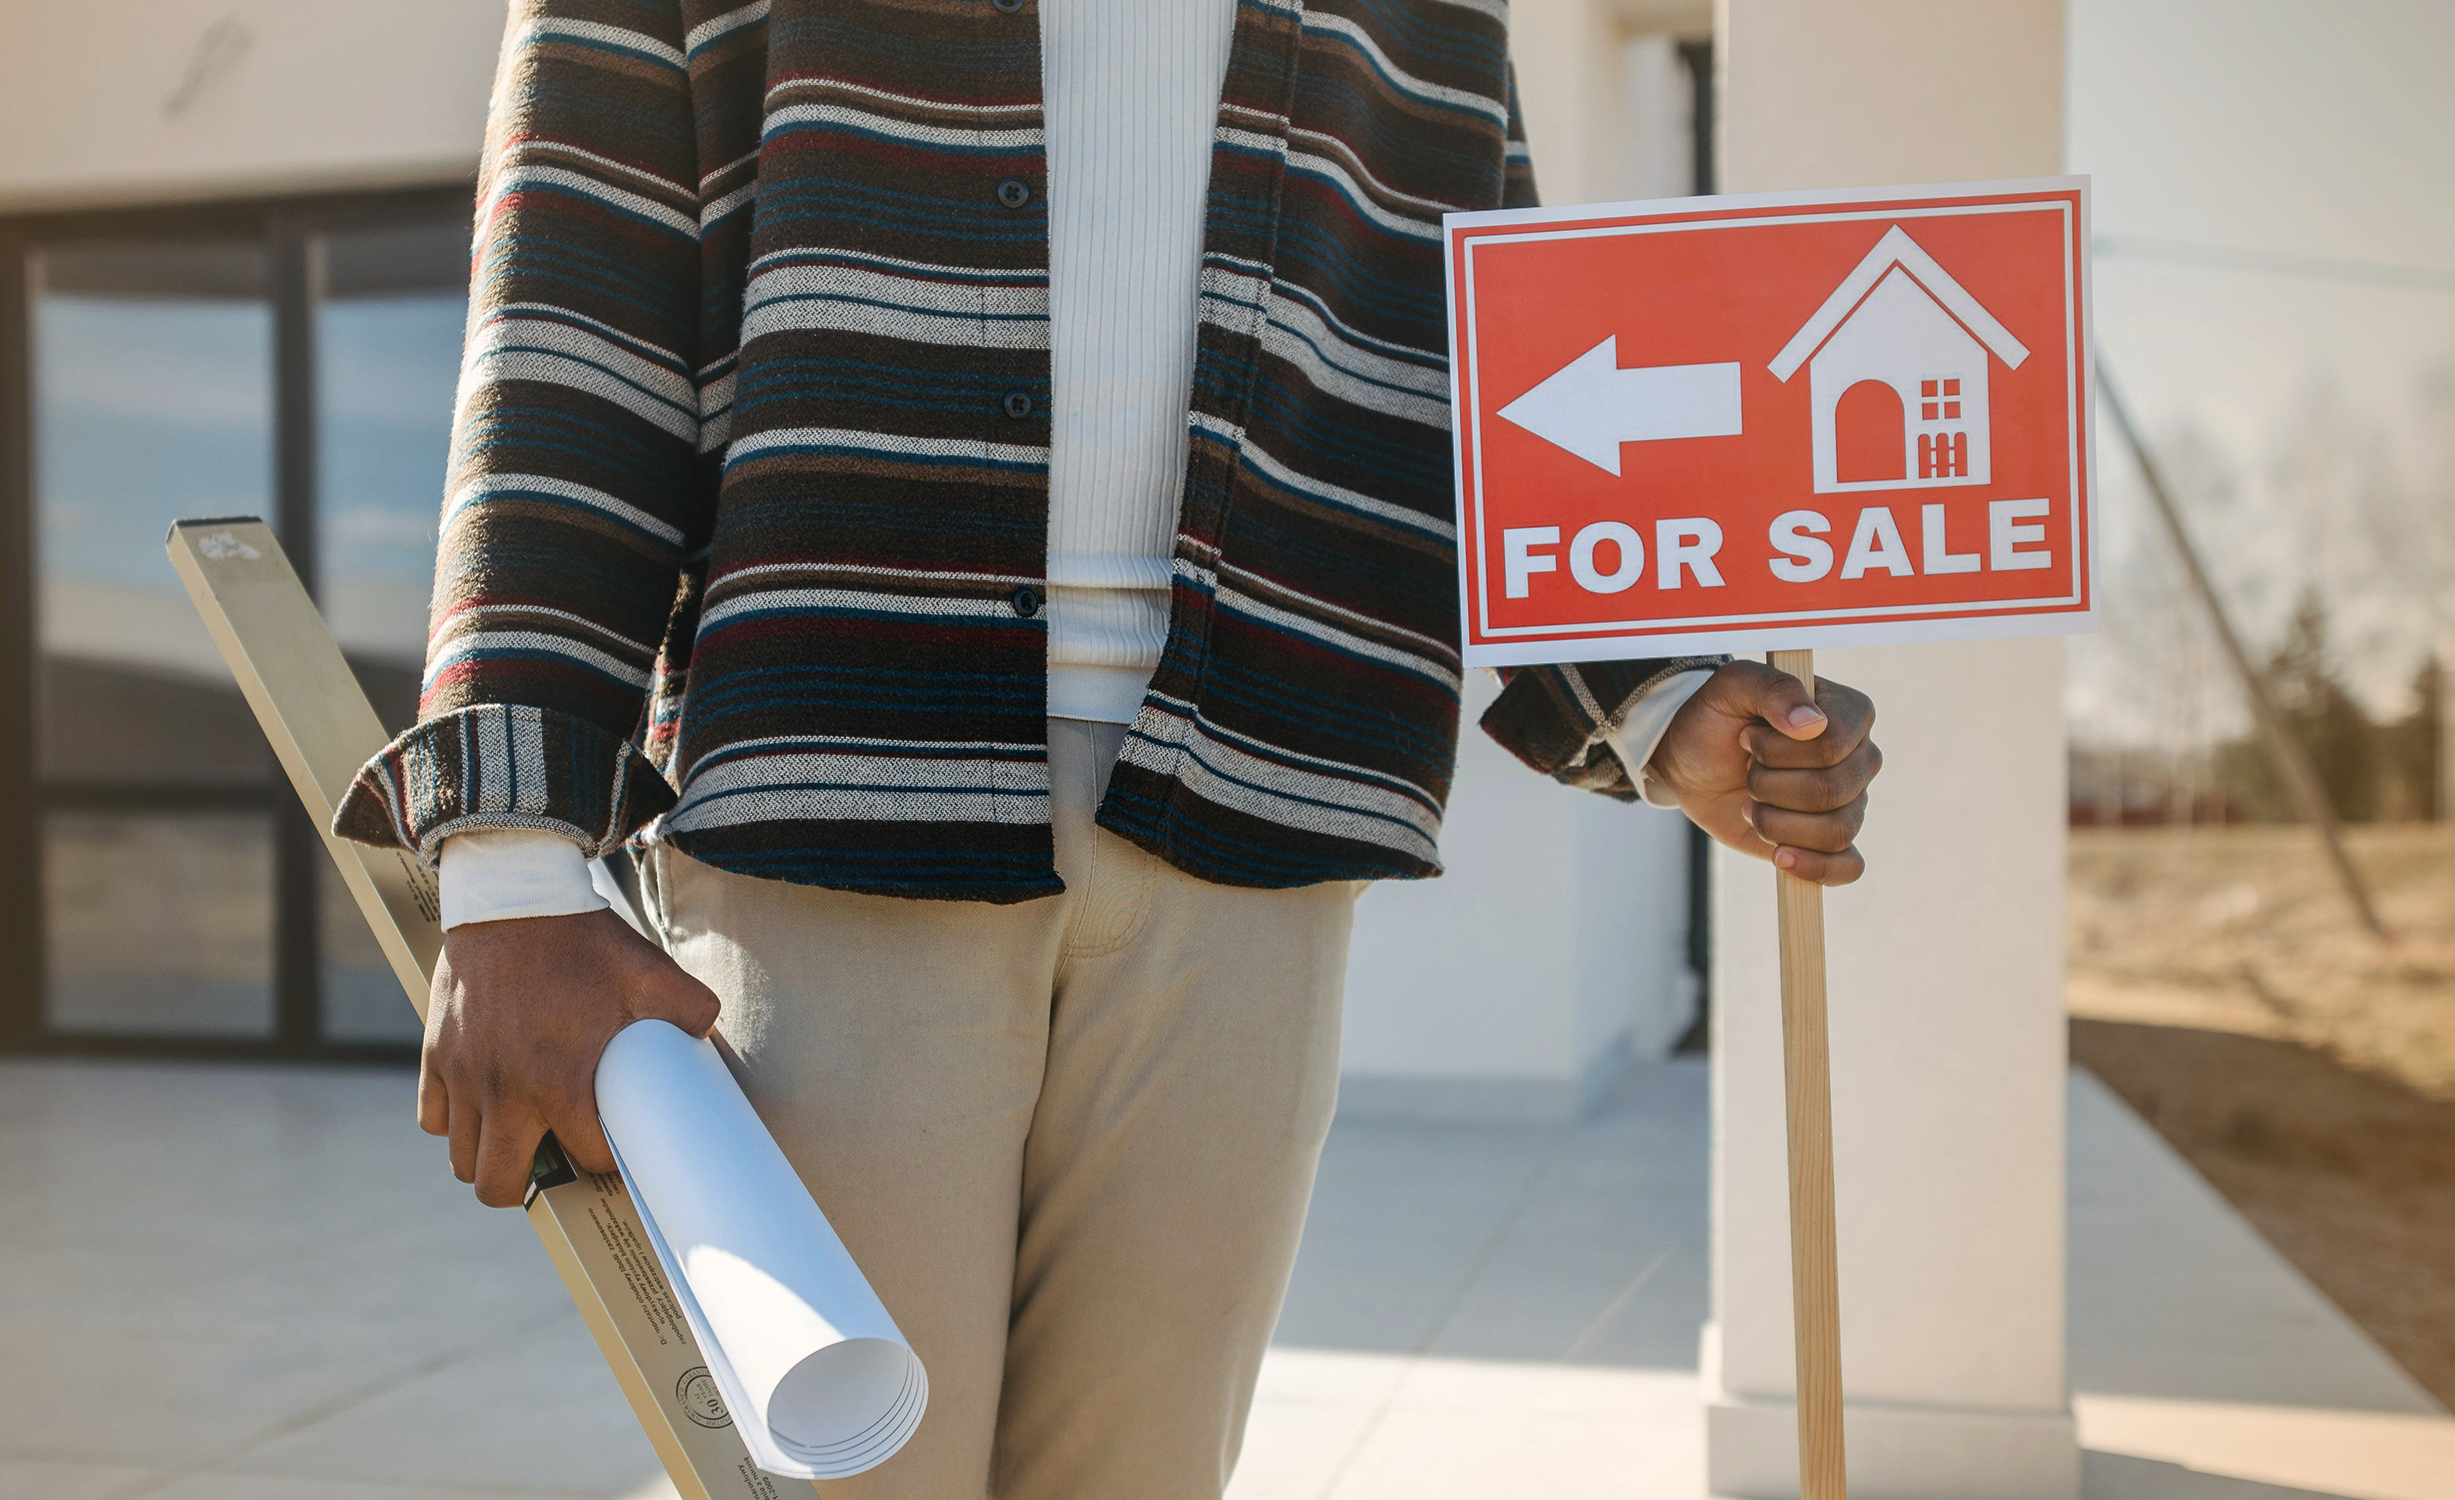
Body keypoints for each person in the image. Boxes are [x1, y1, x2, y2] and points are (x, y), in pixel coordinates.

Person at [335, 3, 1883, 1496]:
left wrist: (1651, 690)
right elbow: (577, 290)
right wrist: (511, 858)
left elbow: (1480, 328)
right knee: (838, 1480)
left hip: (1257, 798)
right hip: (843, 790)